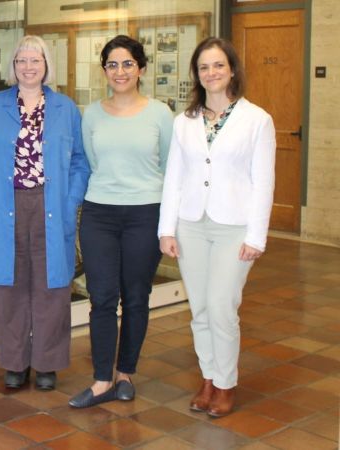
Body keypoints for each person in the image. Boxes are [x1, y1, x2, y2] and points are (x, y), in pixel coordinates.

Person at [158, 37, 275, 417]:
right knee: (201, 309)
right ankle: (207, 378)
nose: (211, 73)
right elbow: (174, 177)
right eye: (204, 67)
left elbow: (264, 182)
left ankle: (225, 383)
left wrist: (256, 236)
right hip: (191, 224)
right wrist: (167, 229)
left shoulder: (257, 119)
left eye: (218, 65)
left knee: (223, 307)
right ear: (197, 73)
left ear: (232, 70)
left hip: (234, 228)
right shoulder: (184, 121)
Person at [0, 35, 90, 391]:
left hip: (50, 204)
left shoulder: (66, 108)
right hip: (7, 204)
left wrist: (70, 201)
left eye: (35, 60)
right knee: (8, 286)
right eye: (21, 60)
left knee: (52, 286)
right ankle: (13, 361)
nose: (28, 66)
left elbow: (79, 163)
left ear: (46, 65)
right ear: (13, 66)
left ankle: (46, 363)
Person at [69, 35, 173, 408]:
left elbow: (169, 169)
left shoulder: (161, 113)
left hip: (146, 213)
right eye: (112, 64)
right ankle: (101, 380)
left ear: (141, 69)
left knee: (135, 296)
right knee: (101, 298)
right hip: (99, 213)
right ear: (104, 72)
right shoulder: (92, 113)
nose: (120, 71)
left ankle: (125, 374)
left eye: (127, 63)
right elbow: (94, 162)